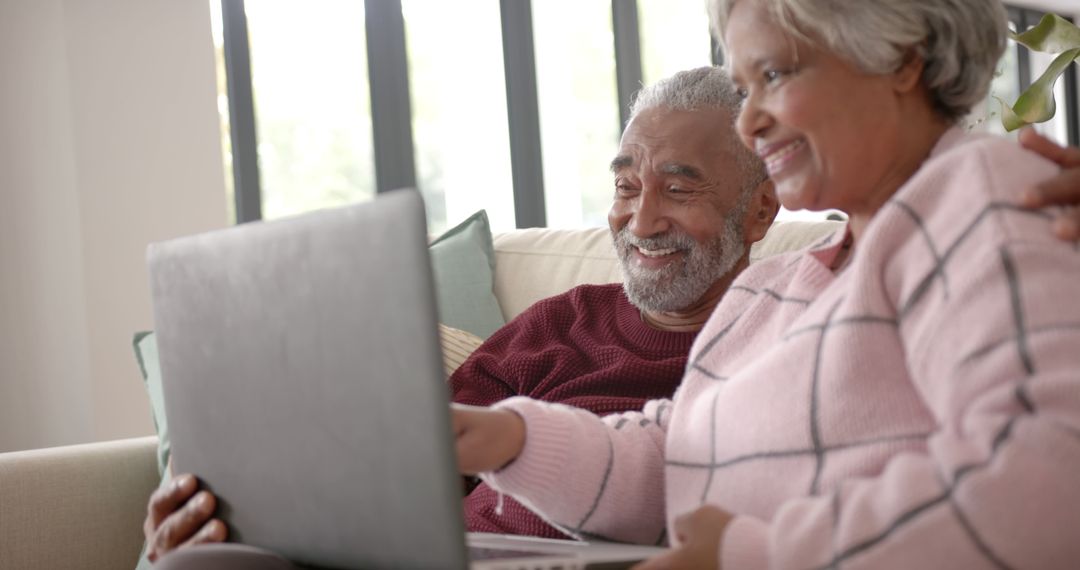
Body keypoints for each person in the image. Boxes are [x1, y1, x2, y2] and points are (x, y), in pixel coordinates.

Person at [453, 1, 1080, 569]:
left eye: (773, 77)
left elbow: (1048, 480)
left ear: (900, 61)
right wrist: (511, 438)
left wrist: (746, 555)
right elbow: (683, 455)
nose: (749, 121)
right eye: (745, 87)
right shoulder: (774, 287)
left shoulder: (981, 198)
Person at [145, 66, 780, 566]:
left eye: (678, 188)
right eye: (625, 187)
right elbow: (417, 473)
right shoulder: (557, 325)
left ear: (760, 209)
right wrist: (230, 517)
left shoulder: (782, 340)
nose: (640, 223)